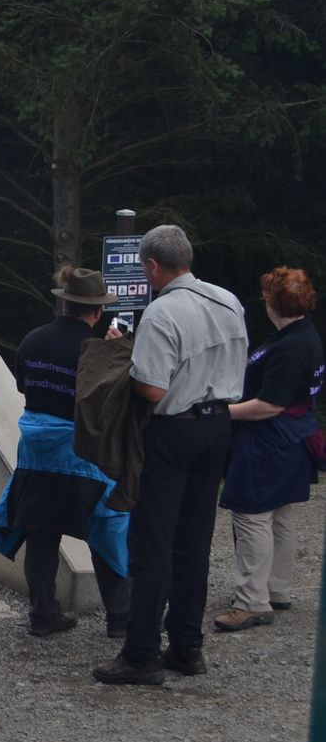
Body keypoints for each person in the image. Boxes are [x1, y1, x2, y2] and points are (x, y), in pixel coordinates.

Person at [92, 224, 247, 685]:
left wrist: (129, 357)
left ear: (154, 266)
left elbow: (154, 389)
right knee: (194, 544)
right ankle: (186, 646)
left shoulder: (161, 314)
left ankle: (141, 652)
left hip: (172, 434)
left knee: (152, 546)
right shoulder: (229, 301)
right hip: (219, 426)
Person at [0, 267, 132, 638]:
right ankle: (121, 618)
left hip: (37, 453)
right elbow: (113, 403)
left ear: (64, 303)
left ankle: (43, 615)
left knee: (41, 534)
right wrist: (119, 353)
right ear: (97, 312)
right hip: (84, 456)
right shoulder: (96, 351)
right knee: (107, 528)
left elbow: (23, 386)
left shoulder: (32, 340)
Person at [215, 266, 323, 632]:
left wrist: (219, 412)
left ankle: (251, 602)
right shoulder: (304, 333)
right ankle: (276, 589)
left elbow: (268, 405)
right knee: (280, 515)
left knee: (252, 515)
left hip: (271, 438)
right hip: (293, 437)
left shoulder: (291, 345)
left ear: (272, 303)